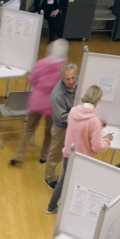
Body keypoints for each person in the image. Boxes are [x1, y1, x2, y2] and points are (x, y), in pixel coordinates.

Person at [46, 85, 113, 216]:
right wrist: (107, 139)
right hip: (84, 159)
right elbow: (98, 147)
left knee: (63, 181)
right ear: (97, 100)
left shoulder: (74, 111)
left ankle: (51, 207)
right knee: (82, 184)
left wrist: (98, 122)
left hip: (68, 154)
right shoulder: (93, 122)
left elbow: (83, 121)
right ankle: (76, 212)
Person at [10, 39, 67, 169]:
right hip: (53, 106)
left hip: (36, 102)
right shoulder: (65, 68)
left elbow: (33, 80)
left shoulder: (41, 63)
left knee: (29, 129)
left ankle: (18, 156)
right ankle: (44, 156)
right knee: (49, 133)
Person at [46, 62, 78, 191]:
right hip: (62, 128)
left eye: (73, 77)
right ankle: (49, 178)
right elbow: (62, 117)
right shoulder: (56, 96)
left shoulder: (80, 82)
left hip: (76, 124)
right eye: (68, 79)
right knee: (56, 153)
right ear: (62, 78)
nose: (71, 81)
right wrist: (81, 114)